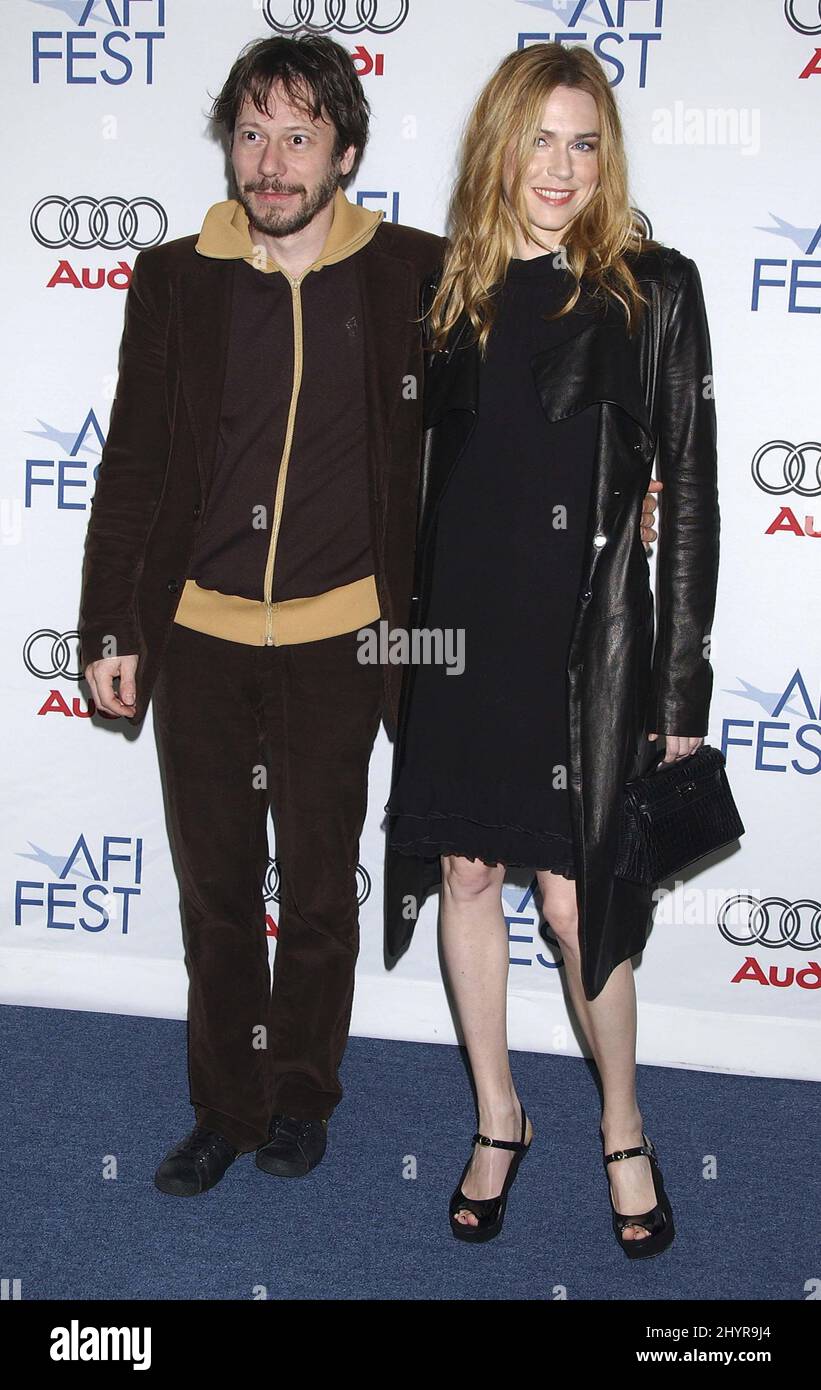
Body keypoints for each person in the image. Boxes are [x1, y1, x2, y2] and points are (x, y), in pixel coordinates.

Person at [79, 34, 659, 1199]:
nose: (272, 159)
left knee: (319, 890)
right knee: (216, 892)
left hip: (349, 637)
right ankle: (222, 1106)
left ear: (344, 149)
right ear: (228, 146)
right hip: (197, 631)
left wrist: (629, 475)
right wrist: (110, 625)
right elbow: (132, 461)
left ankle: (300, 1096)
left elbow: (552, 334)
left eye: (298, 135)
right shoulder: (174, 277)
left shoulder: (414, 273)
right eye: (252, 133)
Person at [384, 42, 719, 1256]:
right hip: (459, 639)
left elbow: (686, 497)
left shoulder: (653, 287)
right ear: (500, 145)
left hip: (585, 647)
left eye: (584, 142)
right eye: (540, 138)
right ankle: (497, 1116)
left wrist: (675, 683)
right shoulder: (448, 289)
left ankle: (621, 1127)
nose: (562, 167)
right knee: (467, 876)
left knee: (581, 911)